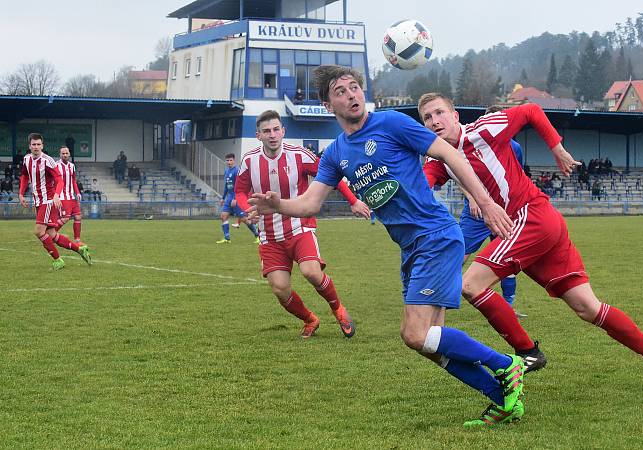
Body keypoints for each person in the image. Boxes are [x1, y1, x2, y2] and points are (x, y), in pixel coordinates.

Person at [247, 66, 527, 427]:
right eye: (340, 91)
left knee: (415, 333)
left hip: (436, 237)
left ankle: (507, 365)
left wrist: (486, 203)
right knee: (426, 342)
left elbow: (451, 155)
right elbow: (311, 203)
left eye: (354, 87)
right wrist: (279, 205)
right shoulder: (335, 153)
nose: (351, 95)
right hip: (411, 248)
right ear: (327, 103)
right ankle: (504, 398)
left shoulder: (392, 123)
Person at [418, 92, 643, 396]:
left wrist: (557, 148)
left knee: (471, 284)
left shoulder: (484, 128)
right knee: (587, 307)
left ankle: (527, 351)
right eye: (427, 117)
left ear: (455, 116)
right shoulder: (437, 158)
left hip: (531, 217)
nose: (435, 121)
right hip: (538, 225)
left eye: (439, 113)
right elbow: (423, 186)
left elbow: (530, 110)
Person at [236, 109, 369, 339]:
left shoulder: (300, 155)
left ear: (283, 131)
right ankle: (310, 319)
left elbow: (332, 175)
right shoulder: (249, 161)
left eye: (276, 129)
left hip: (300, 226)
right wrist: (246, 209)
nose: (272, 135)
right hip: (269, 234)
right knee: (279, 288)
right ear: (258, 135)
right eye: (266, 131)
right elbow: (240, 191)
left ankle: (338, 309)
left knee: (311, 273)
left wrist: (353, 200)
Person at [435, 104, 531, 323]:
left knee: (508, 258)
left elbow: (516, 177)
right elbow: (459, 175)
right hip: (476, 212)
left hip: (504, 212)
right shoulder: (468, 143)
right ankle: (440, 299)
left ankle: (508, 305)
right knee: (458, 254)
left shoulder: (514, 147)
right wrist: (471, 197)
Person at [18, 133, 91, 270]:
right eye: (34, 144)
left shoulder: (48, 160)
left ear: (42, 145)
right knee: (51, 234)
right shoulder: (26, 159)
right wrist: (21, 194)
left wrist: (57, 195)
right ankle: (80, 249)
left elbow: (59, 179)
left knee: (39, 231)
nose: (36, 147)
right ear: (30, 146)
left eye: (39, 144)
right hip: (38, 201)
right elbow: (24, 176)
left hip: (48, 200)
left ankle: (58, 261)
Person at [217, 153, 259, 244]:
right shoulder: (226, 171)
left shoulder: (237, 171)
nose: (229, 162)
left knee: (244, 219)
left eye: (231, 160)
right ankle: (227, 238)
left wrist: (236, 198)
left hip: (237, 197)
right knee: (223, 216)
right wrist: (223, 198)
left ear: (234, 160)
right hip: (229, 198)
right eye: (227, 160)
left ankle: (257, 235)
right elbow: (226, 186)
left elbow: (239, 186)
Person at [55, 146, 84, 243]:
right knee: (66, 218)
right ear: (60, 155)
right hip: (62, 196)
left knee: (78, 217)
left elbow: (73, 180)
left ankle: (77, 240)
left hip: (71, 196)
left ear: (69, 154)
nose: (65, 155)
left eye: (66, 153)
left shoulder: (72, 166)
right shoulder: (56, 166)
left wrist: (78, 192)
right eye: (63, 153)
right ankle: (52, 234)